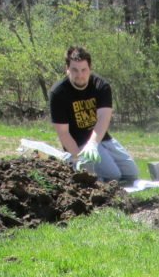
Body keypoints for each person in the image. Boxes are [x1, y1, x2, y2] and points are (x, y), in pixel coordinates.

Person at [49, 45, 139, 184]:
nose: (80, 75)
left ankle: (98, 170)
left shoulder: (101, 86)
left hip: (100, 138)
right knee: (113, 175)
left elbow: (104, 118)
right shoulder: (58, 93)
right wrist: (78, 157)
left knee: (131, 173)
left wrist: (93, 144)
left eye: (84, 70)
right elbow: (63, 133)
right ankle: (71, 163)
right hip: (79, 144)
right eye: (74, 70)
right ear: (67, 69)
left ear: (90, 68)